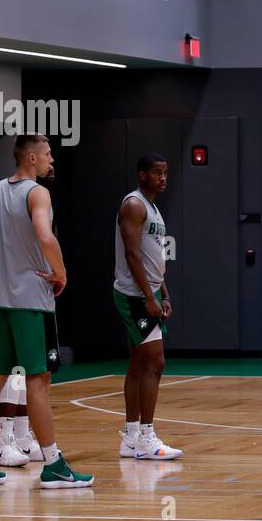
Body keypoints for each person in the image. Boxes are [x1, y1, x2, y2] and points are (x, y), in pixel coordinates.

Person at [0, 134, 92, 489]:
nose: (51, 160)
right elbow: (45, 236)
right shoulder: (37, 193)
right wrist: (61, 272)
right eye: (47, 154)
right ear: (30, 158)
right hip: (31, 300)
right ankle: (53, 463)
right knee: (38, 381)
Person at [113, 153, 182, 460]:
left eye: (165, 173)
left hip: (147, 292)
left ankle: (130, 438)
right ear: (142, 175)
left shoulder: (152, 207)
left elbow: (154, 257)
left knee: (139, 365)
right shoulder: (134, 205)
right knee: (155, 363)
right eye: (157, 173)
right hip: (135, 296)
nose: (163, 178)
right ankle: (146, 437)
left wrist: (163, 292)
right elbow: (132, 255)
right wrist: (149, 297)